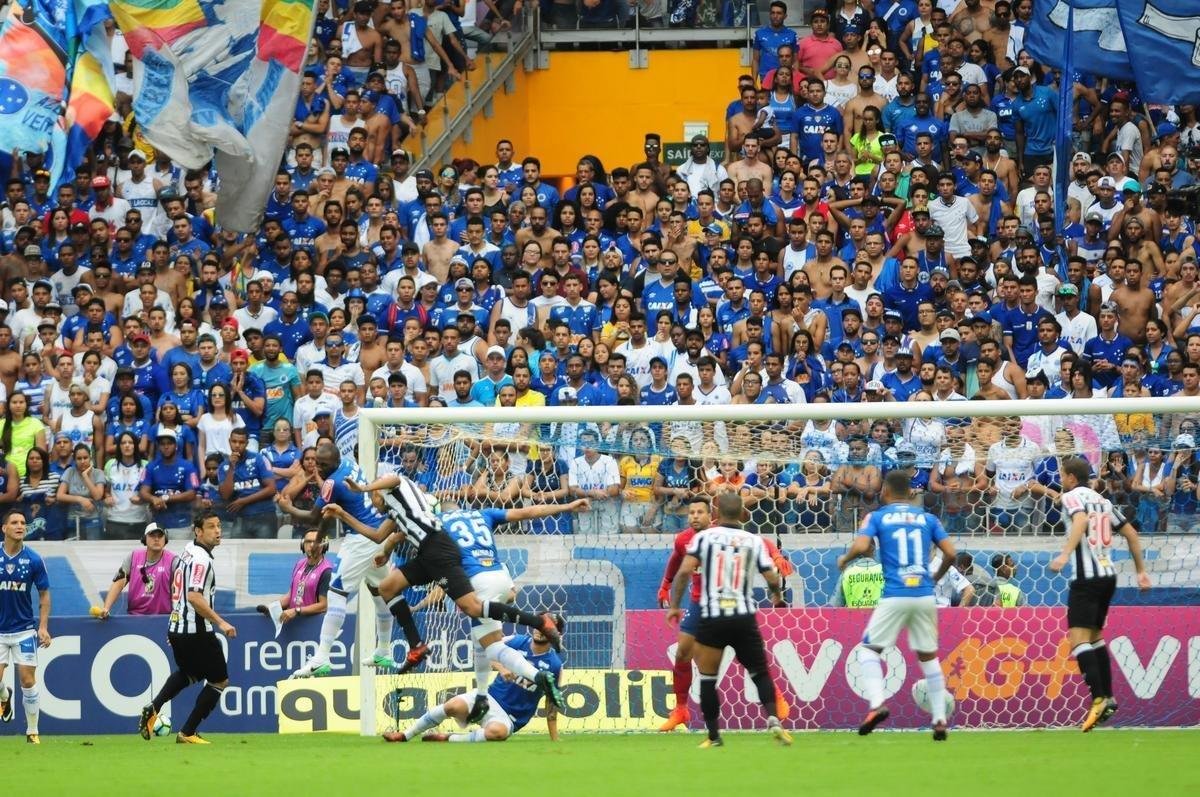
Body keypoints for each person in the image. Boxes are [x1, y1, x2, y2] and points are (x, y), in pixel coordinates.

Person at [331, 472, 567, 709]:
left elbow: (394, 478)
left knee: (472, 608)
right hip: (427, 554)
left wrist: (363, 487)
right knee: (387, 587)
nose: (372, 504)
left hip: (438, 549)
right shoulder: (395, 511)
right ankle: (417, 646)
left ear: (377, 493)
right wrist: (343, 515)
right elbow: (377, 536)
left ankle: (538, 622)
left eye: (372, 498)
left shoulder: (397, 489)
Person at [837, 470, 957, 741]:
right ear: (911, 492)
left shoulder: (877, 516)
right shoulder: (928, 518)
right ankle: (939, 719)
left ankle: (877, 704)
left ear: (886, 492)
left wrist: (845, 559)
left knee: (869, 651)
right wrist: (935, 577)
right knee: (928, 658)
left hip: (895, 593)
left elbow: (862, 544)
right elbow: (951, 553)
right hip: (925, 594)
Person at [665, 492, 790, 748]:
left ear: (715, 513)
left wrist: (674, 606)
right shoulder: (753, 540)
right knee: (759, 672)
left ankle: (713, 736)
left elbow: (684, 572)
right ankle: (774, 721)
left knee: (709, 678)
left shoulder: (704, 538)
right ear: (743, 513)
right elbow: (771, 577)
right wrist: (777, 597)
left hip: (713, 615)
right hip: (743, 616)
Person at [1048, 457, 1151, 732]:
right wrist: (1141, 571)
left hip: (1086, 578)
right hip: (1108, 576)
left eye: (1062, 475)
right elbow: (1131, 533)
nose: (1061, 479)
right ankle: (1109, 697)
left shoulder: (1072, 497)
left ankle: (1098, 698)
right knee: (1095, 638)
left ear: (1071, 478)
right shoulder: (1104, 502)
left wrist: (1064, 554)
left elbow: (1080, 519)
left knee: (1077, 640)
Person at [280, 442, 397, 678]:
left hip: (362, 539)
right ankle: (384, 649)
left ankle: (322, 658)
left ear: (334, 461)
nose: (319, 469)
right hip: (378, 535)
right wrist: (319, 539)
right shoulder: (349, 465)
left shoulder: (332, 482)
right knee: (380, 593)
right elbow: (327, 511)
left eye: (324, 465)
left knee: (336, 593)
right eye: (317, 464)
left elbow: (315, 517)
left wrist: (287, 508)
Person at [383, 616, 565, 744]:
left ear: (557, 635)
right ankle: (405, 735)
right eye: (540, 624)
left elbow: (552, 701)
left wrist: (554, 737)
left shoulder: (555, 665)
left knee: (497, 732)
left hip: (511, 718)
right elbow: (487, 651)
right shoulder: (516, 641)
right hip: (488, 698)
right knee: (453, 705)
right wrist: (501, 667)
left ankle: (449, 738)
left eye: (548, 628)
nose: (541, 630)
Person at [137, 511, 234, 744]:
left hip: (179, 627)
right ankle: (187, 732)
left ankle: (154, 707)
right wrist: (221, 622)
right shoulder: (201, 559)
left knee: (191, 673)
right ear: (198, 531)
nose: (217, 531)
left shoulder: (187, 551)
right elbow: (193, 596)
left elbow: (178, 589)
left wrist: (179, 624)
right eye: (211, 527)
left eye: (219, 526)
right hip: (196, 629)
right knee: (219, 680)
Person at [0, 509, 51, 744]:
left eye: (23, 522)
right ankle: (4, 696)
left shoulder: (33, 559)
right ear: (4, 528)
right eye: (14, 522)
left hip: (23, 630)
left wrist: (42, 627)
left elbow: (43, 595)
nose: (20, 526)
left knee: (27, 680)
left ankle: (32, 731)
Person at [256, 528, 332, 636]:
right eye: (308, 541)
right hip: (293, 624)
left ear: (324, 545)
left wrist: (296, 611)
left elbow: (324, 605)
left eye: (316, 542)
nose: (312, 545)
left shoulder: (326, 571)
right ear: (302, 545)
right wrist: (273, 607)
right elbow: (292, 594)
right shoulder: (300, 563)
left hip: (313, 626)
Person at [96, 521, 176, 617]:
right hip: (135, 617)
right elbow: (118, 583)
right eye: (152, 535)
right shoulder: (133, 557)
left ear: (165, 539)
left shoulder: (173, 561)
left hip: (164, 617)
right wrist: (106, 608)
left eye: (160, 536)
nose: (156, 539)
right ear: (145, 538)